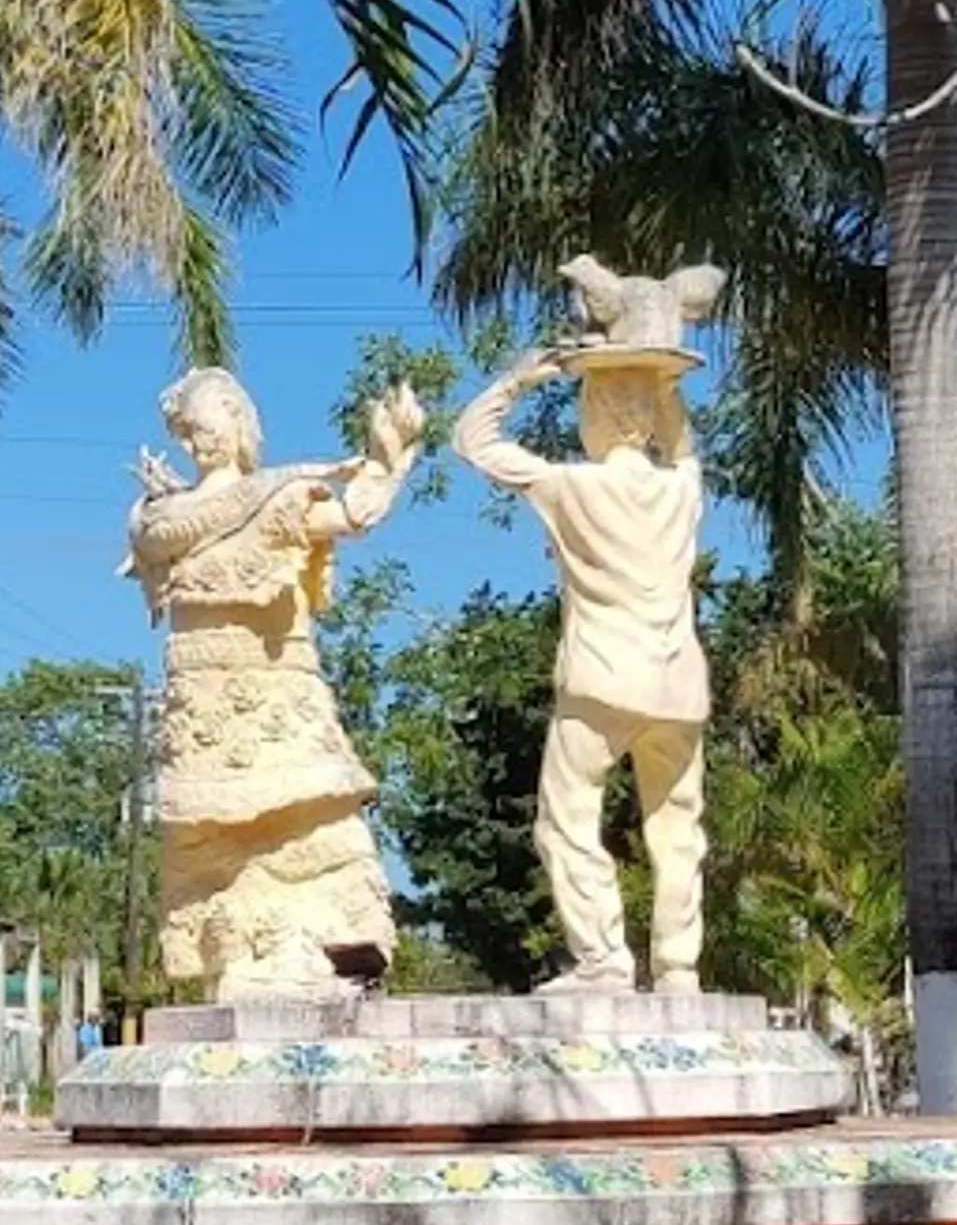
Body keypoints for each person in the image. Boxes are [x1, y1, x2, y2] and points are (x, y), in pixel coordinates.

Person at [454, 258, 724, 990]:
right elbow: (686, 443)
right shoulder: (683, 490)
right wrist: (659, 381)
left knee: (566, 818)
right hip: (679, 686)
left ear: (597, 414)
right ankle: (677, 967)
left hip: (603, 680)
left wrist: (520, 378)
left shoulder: (570, 486)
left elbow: (471, 442)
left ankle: (603, 958)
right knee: (679, 831)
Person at [125, 368, 423, 989]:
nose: (198, 443)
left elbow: (353, 515)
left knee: (308, 822)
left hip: (277, 702)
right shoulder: (162, 522)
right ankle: (233, 948)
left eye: (207, 427)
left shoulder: (280, 498)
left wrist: (388, 461)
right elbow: (154, 542)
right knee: (210, 843)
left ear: (238, 422)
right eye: (188, 433)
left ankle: (322, 940)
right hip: (202, 714)